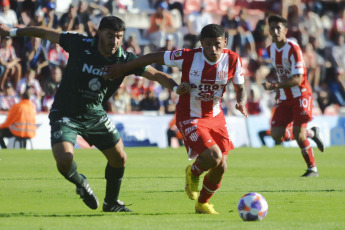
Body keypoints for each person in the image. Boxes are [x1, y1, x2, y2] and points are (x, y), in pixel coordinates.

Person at [0, 16, 189, 212]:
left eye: (118, 37)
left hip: (94, 114)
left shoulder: (124, 60)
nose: (114, 41)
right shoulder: (79, 44)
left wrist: (176, 88)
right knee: (64, 160)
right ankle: (80, 183)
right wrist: (12, 32)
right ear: (99, 33)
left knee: (119, 158)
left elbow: (157, 74)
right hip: (65, 112)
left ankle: (111, 203)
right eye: (110, 36)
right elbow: (45, 32)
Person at [104, 24, 248, 214]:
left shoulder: (232, 59)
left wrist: (241, 101)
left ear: (225, 43)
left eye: (217, 45)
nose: (213, 49)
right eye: (208, 45)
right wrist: (124, 67)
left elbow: (240, 88)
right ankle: (193, 171)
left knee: (221, 166)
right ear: (201, 44)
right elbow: (154, 56)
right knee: (214, 157)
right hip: (190, 115)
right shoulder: (188, 57)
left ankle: (202, 204)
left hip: (215, 116)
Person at [262, 15, 324, 177]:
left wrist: (274, 86)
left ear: (285, 31)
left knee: (298, 134)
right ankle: (312, 133)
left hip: (301, 95)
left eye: (279, 28)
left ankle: (312, 168)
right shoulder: (271, 49)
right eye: (272, 28)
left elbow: (297, 79)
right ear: (269, 31)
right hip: (284, 96)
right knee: (276, 136)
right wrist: (278, 91)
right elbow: (281, 73)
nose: (275, 31)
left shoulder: (293, 48)